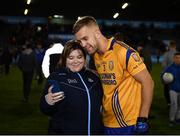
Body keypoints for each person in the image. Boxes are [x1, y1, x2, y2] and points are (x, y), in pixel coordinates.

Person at [73, 16, 154, 135]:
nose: (83, 44)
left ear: (97, 33)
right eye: (80, 41)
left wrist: (142, 118)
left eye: (85, 38)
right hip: (107, 122)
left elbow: (148, 82)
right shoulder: (96, 56)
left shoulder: (123, 52)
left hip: (129, 124)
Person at [39, 40, 104, 135]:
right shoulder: (56, 78)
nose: (76, 61)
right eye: (71, 58)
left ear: (84, 58)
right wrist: (48, 102)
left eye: (79, 57)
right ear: (65, 59)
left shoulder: (93, 77)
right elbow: (45, 109)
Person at [161, 52, 180, 126]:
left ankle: (178, 118)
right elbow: (163, 75)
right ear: (174, 59)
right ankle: (171, 120)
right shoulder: (170, 68)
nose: (178, 59)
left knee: (179, 105)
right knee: (174, 104)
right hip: (173, 89)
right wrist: (164, 79)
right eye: (177, 58)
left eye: (179, 58)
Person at [161, 40, 177, 106]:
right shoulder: (178, 53)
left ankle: (169, 103)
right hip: (177, 74)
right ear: (175, 46)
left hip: (168, 74)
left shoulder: (166, 54)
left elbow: (163, 65)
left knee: (167, 89)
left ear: (170, 46)